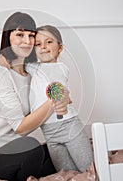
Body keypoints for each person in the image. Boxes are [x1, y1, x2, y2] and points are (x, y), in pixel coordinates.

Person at [0, 12, 70, 181]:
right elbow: (20, 128)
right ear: (8, 38)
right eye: (20, 35)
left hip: (17, 153)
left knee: (57, 149)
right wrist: (55, 100)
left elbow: (56, 79)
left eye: (31, 35)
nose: (27, 41)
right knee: (31, 147)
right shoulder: (1, 75)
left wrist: (63, 96)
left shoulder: (31, 72)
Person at [26, 25, 93, 172]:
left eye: (49, 42)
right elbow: (15, 60)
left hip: (68, 126)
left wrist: (63, 95)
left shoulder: (60, 68)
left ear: (60, 47)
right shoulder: (34, 68)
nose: (43, 47)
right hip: (49, 132)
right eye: (38, 44)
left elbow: (57, 86)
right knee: (66, 173)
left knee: (88, 169)